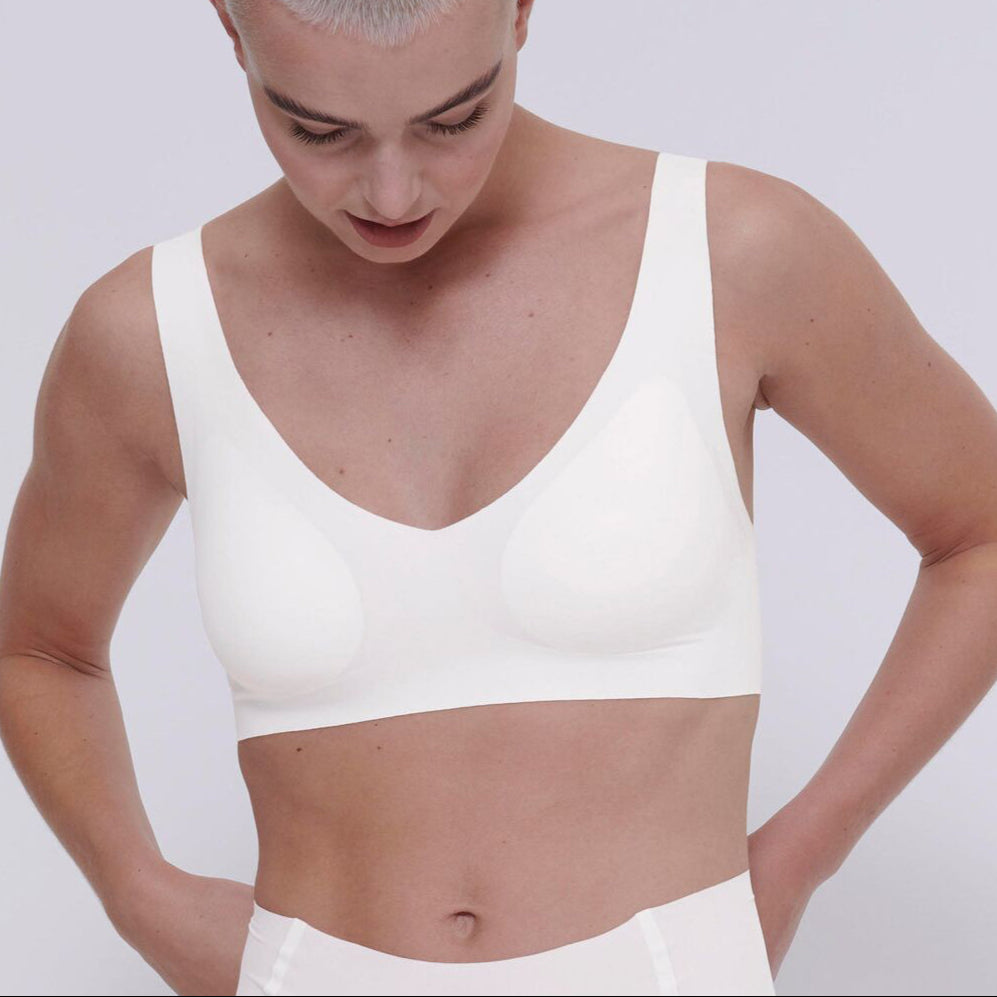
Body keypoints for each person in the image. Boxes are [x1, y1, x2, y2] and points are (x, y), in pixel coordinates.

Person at [2, 0, 997, 994]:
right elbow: (37, 648)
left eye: (454, 118)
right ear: (230, 25)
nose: (392, 193)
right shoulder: (149, 333)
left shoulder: (728, 249)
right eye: (318, 131)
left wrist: (793, 865)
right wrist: (137, 893)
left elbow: (978, 532)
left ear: (520, 11)